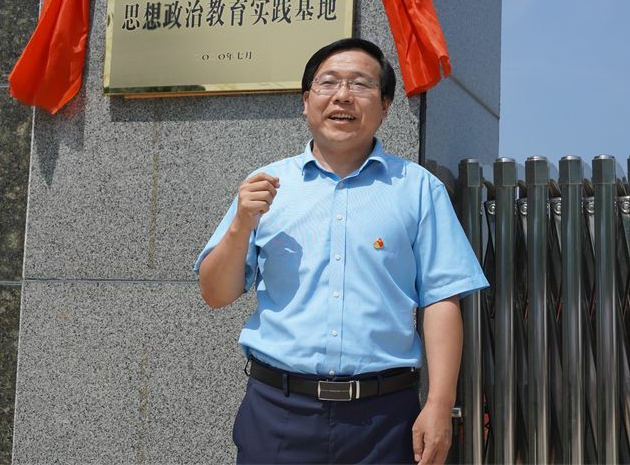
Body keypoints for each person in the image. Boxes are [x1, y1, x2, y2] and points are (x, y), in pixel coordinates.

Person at [193, 38, 489, 465]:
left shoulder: (418, 189)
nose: (343, 95)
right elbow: (215, 294)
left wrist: (440, 404)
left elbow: (442, 299)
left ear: (385, 106)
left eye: (361, 84)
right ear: (306, 102)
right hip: (278, 411)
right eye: (328, 82)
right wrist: (241, 224)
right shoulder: (266, 186)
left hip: (383, 418)